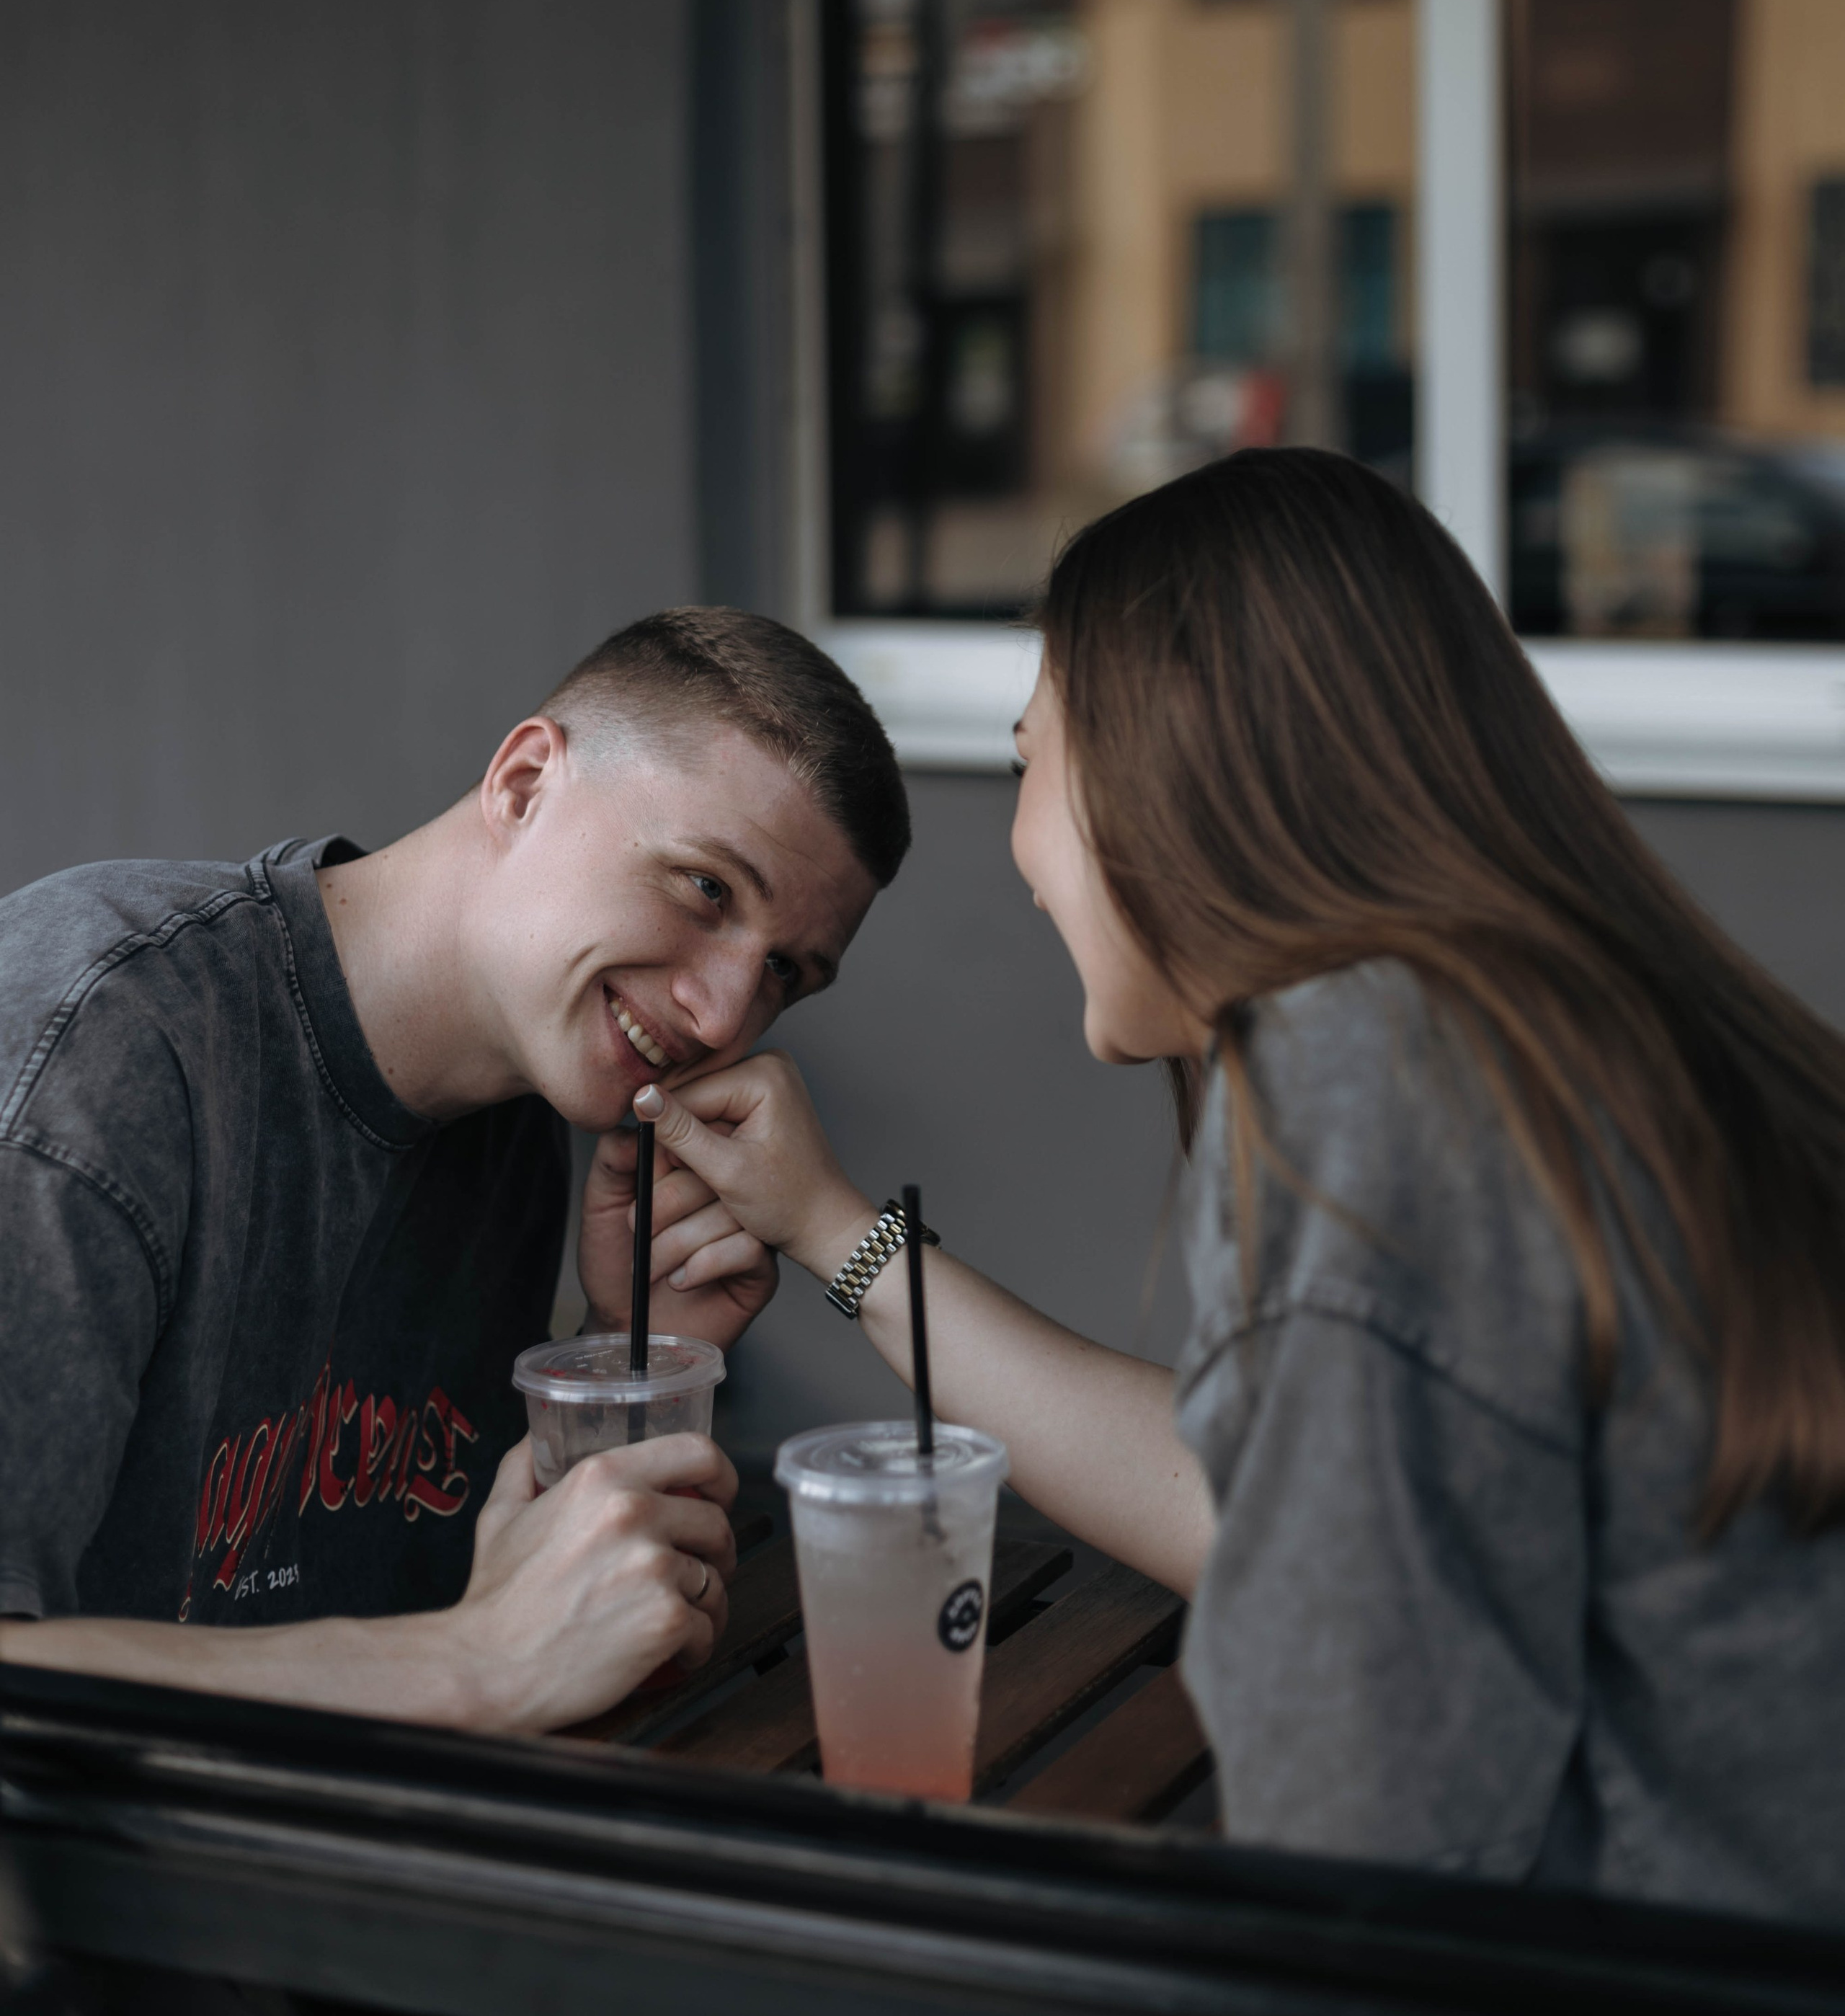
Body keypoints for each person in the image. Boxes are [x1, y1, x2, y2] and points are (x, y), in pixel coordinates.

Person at [644, 451, 1845, 1924]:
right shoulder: (1556, 1030)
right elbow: (1256, 1501)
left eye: (1032, 763)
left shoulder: (1358, 1077)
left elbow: (1358, 1857)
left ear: (1171, 753)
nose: (1022, 854)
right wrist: (828, 1228)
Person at [0, 608, 907, 1735]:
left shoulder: (517, 1122)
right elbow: (469, 1658)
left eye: (783, 973)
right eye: (706, 889)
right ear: (524, 784)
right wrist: (468, 1664)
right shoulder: (96, 1045)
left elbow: (490, 1629)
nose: (725, 1011)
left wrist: (635, 1365)